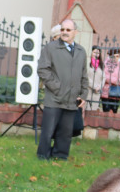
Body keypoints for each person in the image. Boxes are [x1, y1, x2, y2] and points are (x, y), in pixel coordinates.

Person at [36, 18, 88, 160]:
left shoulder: (81, 51)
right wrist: (57, 87)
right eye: (63, 29)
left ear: (75, 32)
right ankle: (43, 156)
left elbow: (84, 74)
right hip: (54, 98)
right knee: (48, 131)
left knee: (65, 132)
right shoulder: (51, 48)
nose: (64, 32)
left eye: (68, 30)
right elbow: (42, 70)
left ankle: (60, 156)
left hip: (72, 100)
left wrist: (83, 95)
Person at [101, 47, 120, 113]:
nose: (116, 58)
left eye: (117, 56)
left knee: (115, 111)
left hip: (117, 91)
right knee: (106, 110)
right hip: (106, 90)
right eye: (113, 56)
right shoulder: (105, 64)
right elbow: (103, 75)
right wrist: (114, 81)